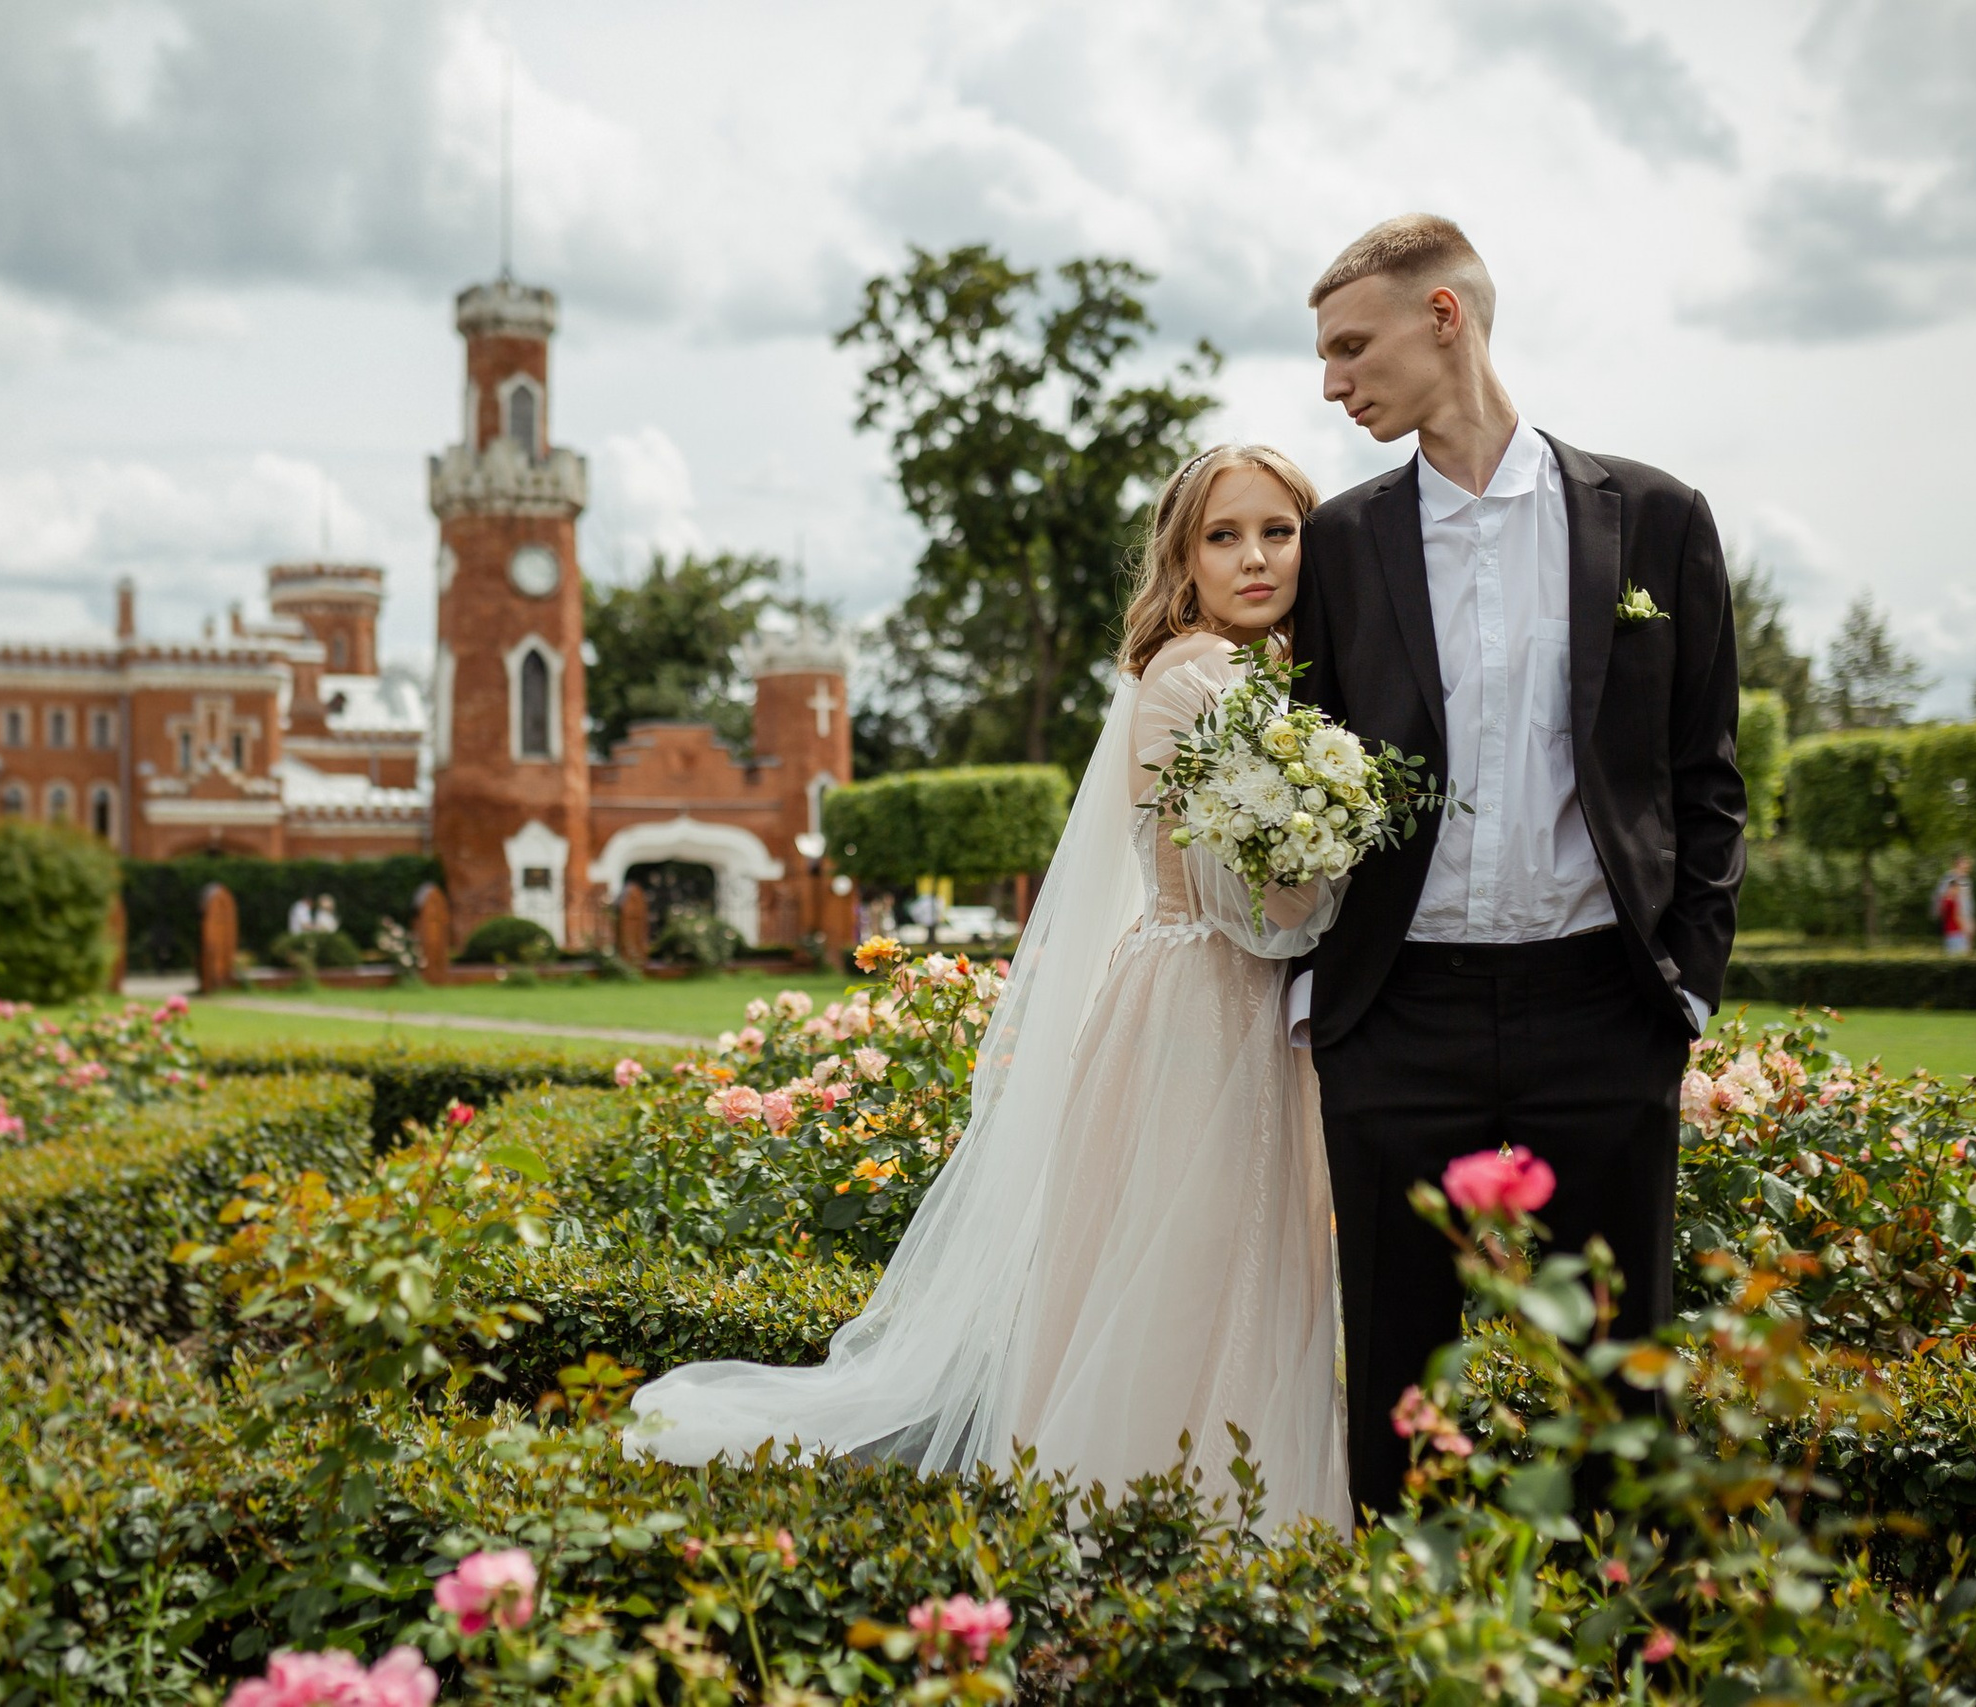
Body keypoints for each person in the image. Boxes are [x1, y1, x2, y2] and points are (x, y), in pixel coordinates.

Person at [629, 445, 1352, 1530]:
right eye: (1222, 536)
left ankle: (1228, 1510)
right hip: (1200, 1003)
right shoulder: (1194, 676)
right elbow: (1254, 906)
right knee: (1189, 1256)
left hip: (1237, 1004)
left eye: (1276, 532)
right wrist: (1338, 857)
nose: (1254, 558)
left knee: (1237, 1255)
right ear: (1182, 559)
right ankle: (1167, 1507)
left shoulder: (1276, 675)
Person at [1291, 214, 1745, 1515]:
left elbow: (1707, 775)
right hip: (1398, 1011)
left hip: (1606, 1003)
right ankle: (1407, 1639)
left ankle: (1620, 1645)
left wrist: (1685, 984)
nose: (1332, 382)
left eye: (1349, 345)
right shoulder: (1338, 541)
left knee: (1620, 1371)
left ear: (1447, 317)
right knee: (1395, 1376)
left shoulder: (1654, 518)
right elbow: (1313, 762)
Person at [1935, 857, 1974, 956]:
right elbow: (1942, 897)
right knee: (1957, 948)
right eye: (1965, 865)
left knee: (1966, 948)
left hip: (1965, 915)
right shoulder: (1949, 878)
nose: (1967, 867)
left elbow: (1968, 901)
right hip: (1955, 918)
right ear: (1957, 864)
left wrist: (1970, 918)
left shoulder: (1966, 880)